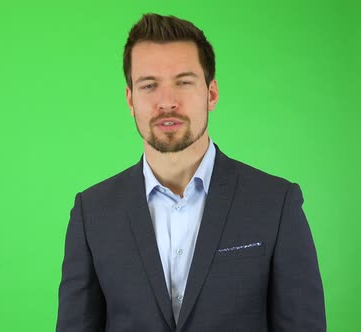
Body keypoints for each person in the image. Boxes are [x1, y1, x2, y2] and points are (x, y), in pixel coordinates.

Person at [56, 13, 325, 332]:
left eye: (183, 82)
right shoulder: (92, 213)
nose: (167, 102)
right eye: (149, 85)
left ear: (211, 93)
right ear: (131, 100)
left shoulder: (277, 204)